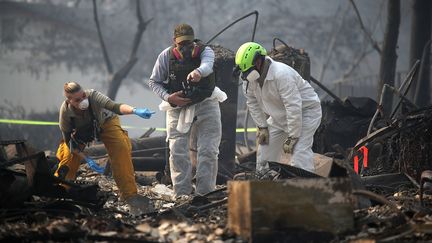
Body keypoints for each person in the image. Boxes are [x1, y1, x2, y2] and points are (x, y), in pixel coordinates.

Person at [148, 23, 225, 198]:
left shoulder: (205, 51)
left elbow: (207, 65)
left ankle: (205, 193)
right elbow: (154, 82)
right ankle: (181, 193)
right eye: (181, 43)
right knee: (177, 150)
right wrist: (169, 98)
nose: (185, 47)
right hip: (177, 105)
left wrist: (198, 72)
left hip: (206, 102)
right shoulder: (165, 57)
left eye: (188, 43)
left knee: (209, 150)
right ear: (174, 41)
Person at [55, 81, 155, 215]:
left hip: (105, 122)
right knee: (68, 157)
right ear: (69, 101)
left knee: (121, 148)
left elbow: (115, 107)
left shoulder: (94, 96)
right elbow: (69, 143)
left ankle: (130, 195)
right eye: (78, 100)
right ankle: (60, 191)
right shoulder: (65, 113)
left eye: (83, 96)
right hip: (81, 132)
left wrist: (135, 110)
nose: (83, 100)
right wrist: (87, 159)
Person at [235, 42, 322, 173]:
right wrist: (262, 126)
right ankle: (265, 184)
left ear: (259, 61)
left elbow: (293, 105)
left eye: (248, 70)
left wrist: (293, 136)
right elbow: (252, 103)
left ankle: (306, 188)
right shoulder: (248, 80)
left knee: (299, 154)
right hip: (279, 116)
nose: (246, 75)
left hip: (305, 113)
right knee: (264, 153)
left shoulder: (281, 74)